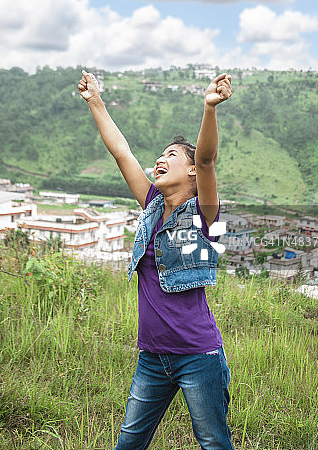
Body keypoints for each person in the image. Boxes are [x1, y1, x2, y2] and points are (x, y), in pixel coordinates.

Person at [78, 69, 235, 450]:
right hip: (152, 357)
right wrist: (95, 101)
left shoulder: (205, 213)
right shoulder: (151, 204)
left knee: (214, 443)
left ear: (192, 172)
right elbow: (121, 151)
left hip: (198, 356)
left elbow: (210, 160)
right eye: (161, 155)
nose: (160, 159)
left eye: (172, 155)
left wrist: (209, 108)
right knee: (128, 444)